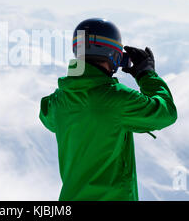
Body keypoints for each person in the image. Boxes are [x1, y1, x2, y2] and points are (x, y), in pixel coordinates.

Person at [39, 18, 177, 201]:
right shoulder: (118, 99)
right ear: (113, 55)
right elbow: (166, 113)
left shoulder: (58, 102)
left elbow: (46, 114)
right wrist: (146, 74)